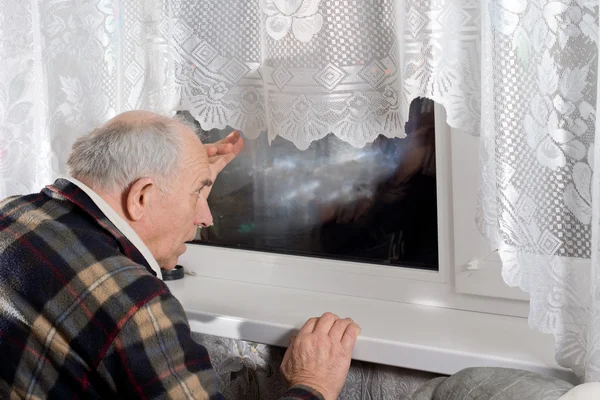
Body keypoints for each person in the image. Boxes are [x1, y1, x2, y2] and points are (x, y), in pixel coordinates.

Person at [0, 111, 361, 399]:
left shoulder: (12, 214)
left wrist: (188, 181)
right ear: (142, 197)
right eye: (198, 196)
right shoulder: (137, 307)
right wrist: (313, 385)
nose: (205, 218)